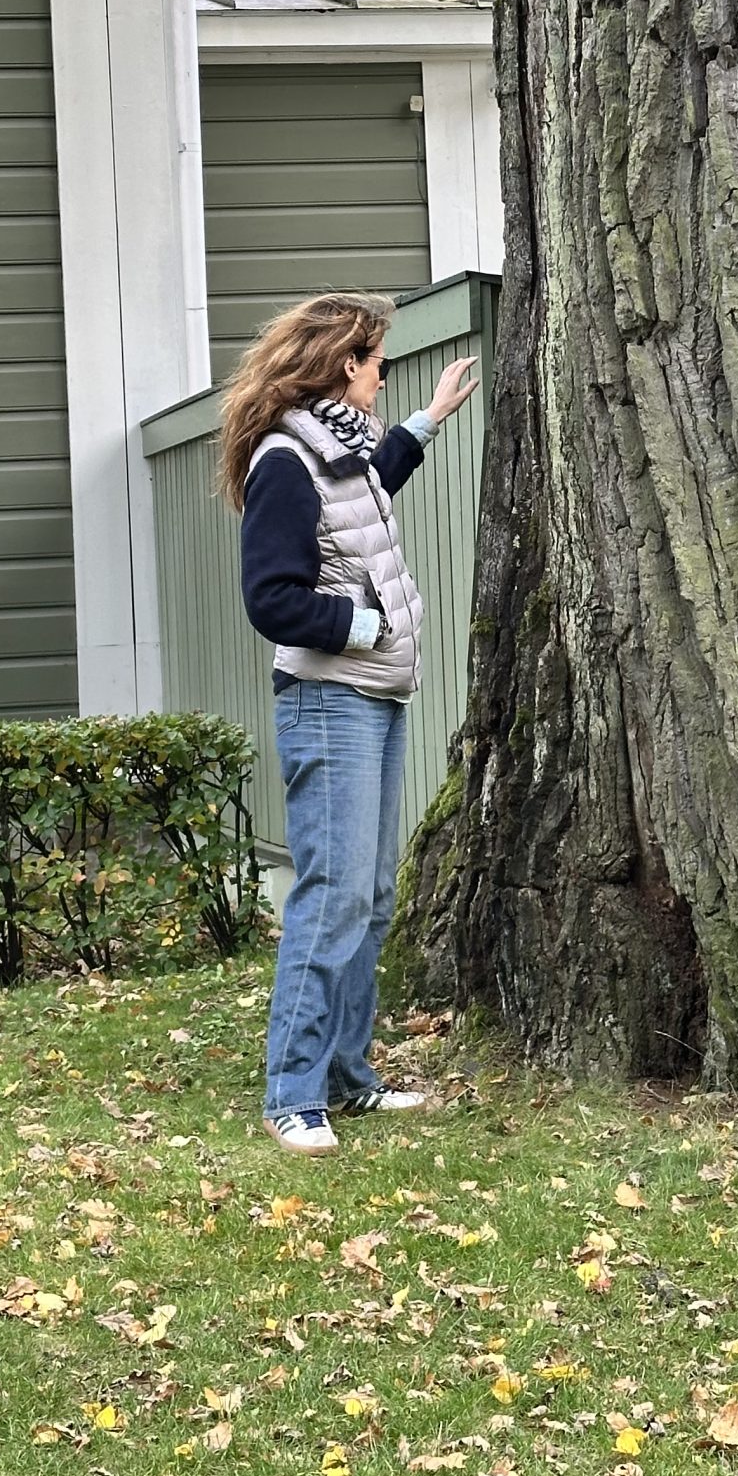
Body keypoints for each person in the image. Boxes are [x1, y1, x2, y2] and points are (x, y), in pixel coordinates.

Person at [218, 292, 480, 1155]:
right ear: (343, 368)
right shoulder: (284, 462)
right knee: (330, 899)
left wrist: (430, 419)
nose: (382, 372)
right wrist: (361, 625)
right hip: (330, 702)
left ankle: (345, 1078)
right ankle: (292, 1094)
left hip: (373, 698)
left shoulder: (337, 449)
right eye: (376, 361)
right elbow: (272, 597)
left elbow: (368, 488)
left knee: (369, 896)